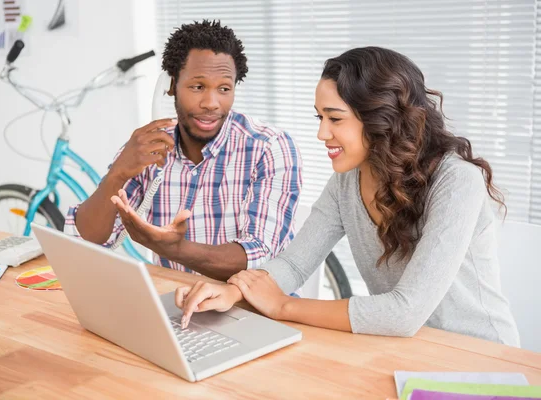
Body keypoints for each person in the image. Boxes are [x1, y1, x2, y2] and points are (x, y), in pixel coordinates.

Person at [174, 46, 520, 346]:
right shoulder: (347, 181)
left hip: (479, 357)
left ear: (381, 118)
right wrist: (233, 292)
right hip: (401, 347)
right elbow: (294, 264)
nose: (322, 132)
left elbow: (404, 313)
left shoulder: (457, 180)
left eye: (335, 118)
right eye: (320, 117)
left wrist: (283, 306)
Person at [64, 20, 302, 281]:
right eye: (198, 87)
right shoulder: (148, 149)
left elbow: (260, 257)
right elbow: (86, 242)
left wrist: (175, 250)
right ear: (170, 84)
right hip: (175, 304)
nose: (211, 104)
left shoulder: (268, 148)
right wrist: (117, 174)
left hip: (252, 308)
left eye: (224, 89)